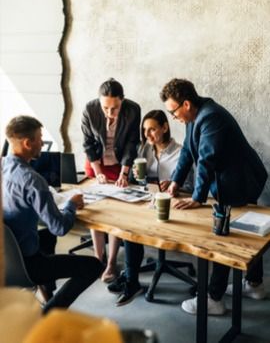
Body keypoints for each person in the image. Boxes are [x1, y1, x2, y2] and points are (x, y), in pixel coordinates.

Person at [160, 78, 268, 315]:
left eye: (173, 112)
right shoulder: (194, 116)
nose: (173, 117)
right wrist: (177, 180)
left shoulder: (211, 117)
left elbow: (207, 160)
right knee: (243, 229)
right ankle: (255, 285)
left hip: (243, 180)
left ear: (186, 104)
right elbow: (189, 150)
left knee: (224, 234)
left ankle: (213, 299)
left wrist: (197, 198)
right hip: (234, 179)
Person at [2, 115, 103, 313]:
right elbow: (60, 227)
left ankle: (47, 293)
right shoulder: (33, 180)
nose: (42, 142)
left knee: (46, 238)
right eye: (40, 138)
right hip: (26, 265)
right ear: (27, 143)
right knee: (93, 266)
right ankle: (48, 313)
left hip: (5, 257)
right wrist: (71, 205)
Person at [107, 109, 194, 306]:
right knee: (127, 223)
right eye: (145, 130)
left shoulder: (181, 152)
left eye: (152, 129)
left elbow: (192, 187)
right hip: (148, 203)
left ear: (165, 127)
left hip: (172, 208)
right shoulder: (144, 149)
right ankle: (131, 276)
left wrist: (174, 185)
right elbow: (137, 180)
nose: (147, 135)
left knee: (132, 227)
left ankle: (131, 279)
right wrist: (132, 177)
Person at [81, 78, 141, 282]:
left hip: (119, 163)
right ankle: (98, 258)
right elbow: (88, 143)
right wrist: (97, 171)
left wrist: (125, 173)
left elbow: (132, 143)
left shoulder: (133, 110)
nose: (109, 113)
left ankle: (112, 262)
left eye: (114, 108)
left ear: (122, 101)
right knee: (95, 209)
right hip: (96, 161)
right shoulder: (90, 109)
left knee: (115, 211)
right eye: (105, 107)